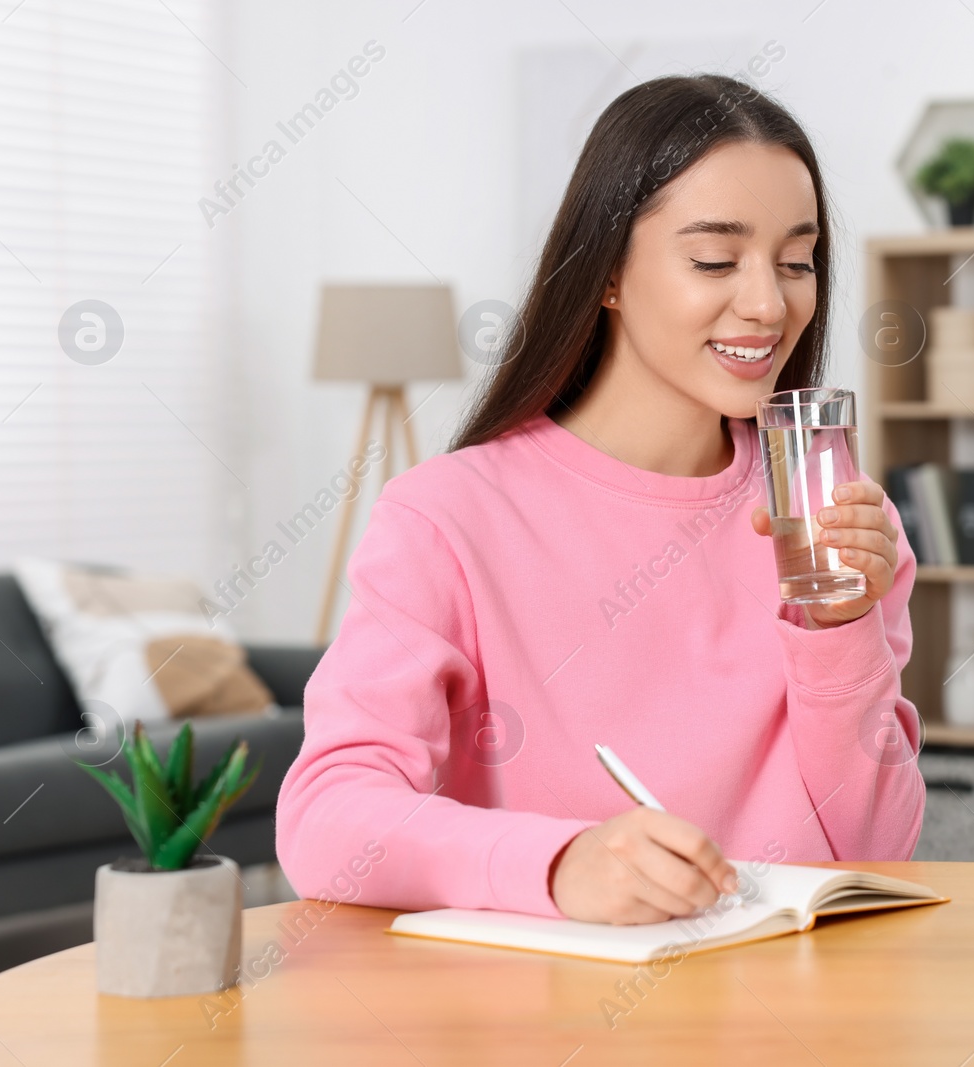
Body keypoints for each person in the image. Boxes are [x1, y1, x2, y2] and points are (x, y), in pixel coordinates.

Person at [276, 73, 923, 925]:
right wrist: (557, 865)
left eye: (798, 261)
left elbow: (877, 848)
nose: (770, 303)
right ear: (608, 275)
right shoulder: (449, 517)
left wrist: (842, 629)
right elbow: (324, 820)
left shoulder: (833, 517)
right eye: (715, 260)